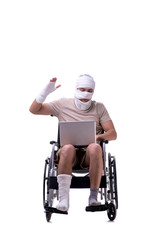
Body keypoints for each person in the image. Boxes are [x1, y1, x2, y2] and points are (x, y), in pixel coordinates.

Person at [29, 74, 117, 212]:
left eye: (89, 91)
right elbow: (34, 110)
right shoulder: (63, 104)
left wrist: (97, 137)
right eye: (82, 89)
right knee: (68, 147)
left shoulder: (99, 107)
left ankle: (93, 198)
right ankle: (64, 200)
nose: (85, 94)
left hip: (90, 156)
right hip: (67, 155)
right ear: (76, 89)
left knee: (94, 147)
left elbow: (113, 133)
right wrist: (45, 92)